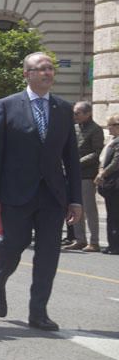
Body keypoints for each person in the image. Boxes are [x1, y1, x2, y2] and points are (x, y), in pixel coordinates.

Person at [0, 52, 82, 331]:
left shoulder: (63, 108)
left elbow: (71, 158)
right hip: (16, 193)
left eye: (50, 68)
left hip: (52, 194)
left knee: (49, 254)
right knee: (13, 247)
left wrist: (75, 199)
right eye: (41, 69)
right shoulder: (7, 105)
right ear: (26, 74)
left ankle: (38, 312)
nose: (47, 73)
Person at [66, 101, 104, 252]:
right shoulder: (74, 128)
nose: (75, 116)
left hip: (87, 174)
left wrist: (77, 162)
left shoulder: (95, 130)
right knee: (74, 206)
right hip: (73, 173)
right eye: (74, 113)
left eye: (78, 113)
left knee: (89, 208)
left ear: (88, 114)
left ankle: (94, 241)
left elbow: (97, 152)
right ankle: (80, 239)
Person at [95, 114, 119, 255]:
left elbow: (116, 162)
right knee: (112, 216)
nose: (108, 128)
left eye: (110, 125)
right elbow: (103, 160)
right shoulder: (113, 140)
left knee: (114, 216)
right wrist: (100, 170)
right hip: (109, 183)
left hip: (115, 184)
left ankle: (115, 246)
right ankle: (113, 244)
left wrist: (102, 174)